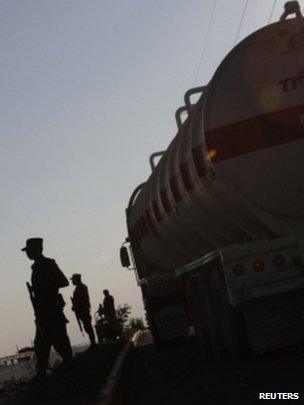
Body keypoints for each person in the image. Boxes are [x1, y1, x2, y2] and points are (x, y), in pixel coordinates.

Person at [22, 238, 73, 379]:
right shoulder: (37, 267)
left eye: (29, 251)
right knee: (41, 345)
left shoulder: (48, 264)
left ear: (36, 250)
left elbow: (64, 281)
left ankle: (71, 374)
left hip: (51, 311)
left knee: (59, 342)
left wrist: (46, 286)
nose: (27, 254)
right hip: (42, 312)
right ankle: (42, 376)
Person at [71, 273, 96, 348]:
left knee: (88, 327)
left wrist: (76, 306)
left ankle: (93, 344)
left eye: (73, 280)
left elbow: (83, 300)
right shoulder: (80, 287)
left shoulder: (81, 287)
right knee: (87, 327)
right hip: (82, 311)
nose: (72, 281)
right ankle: (93, 343)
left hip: (83, 310)